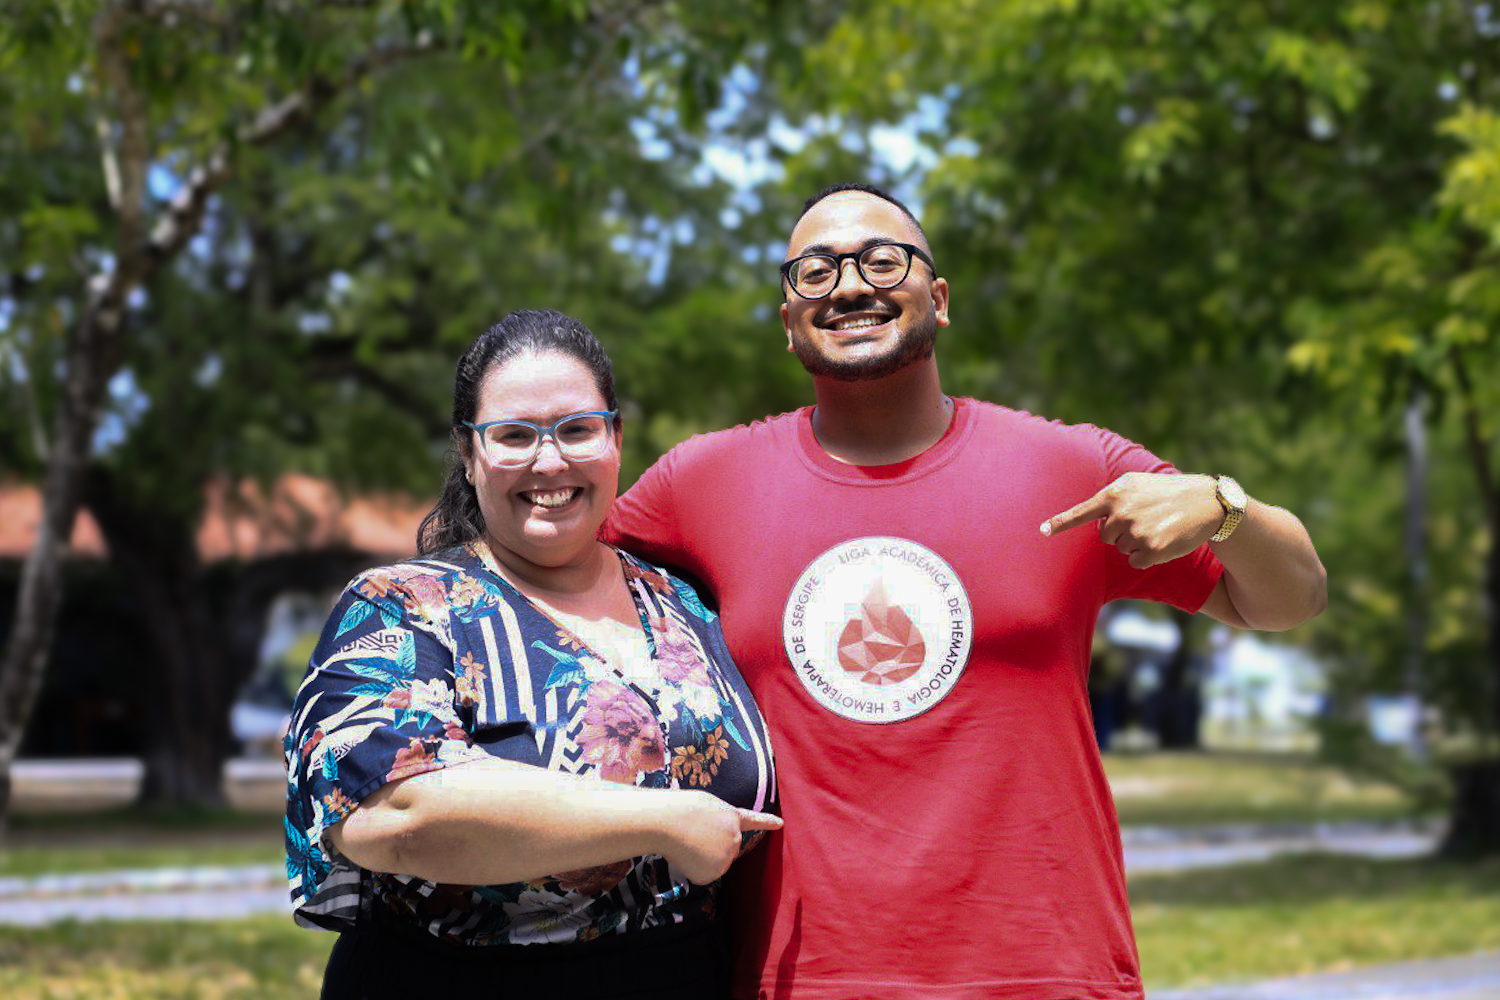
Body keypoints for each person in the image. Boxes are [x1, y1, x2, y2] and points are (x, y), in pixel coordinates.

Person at [603, 183, 1327, 1000]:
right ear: (788, 321)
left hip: (1046, 970)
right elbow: (545, 581)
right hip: (805, 979)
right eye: (815, 272)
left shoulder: (1069, 469)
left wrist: (1228, 506)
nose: (848, 286)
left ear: (937, 299)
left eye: (881, 260)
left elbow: (1291, 598)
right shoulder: (707, 483)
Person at [284, 310, 781, 1000]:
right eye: (514, 436)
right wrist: (667, 821)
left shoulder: (686, 602)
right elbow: (391, 815)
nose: (550, 462)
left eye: (577, 429)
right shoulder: (402, 606)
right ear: (468, 453)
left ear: (615, 438)